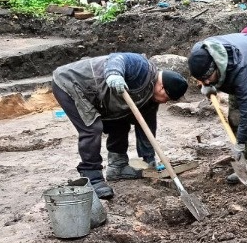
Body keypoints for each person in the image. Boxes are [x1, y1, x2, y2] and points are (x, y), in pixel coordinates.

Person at [51, 52, 188, 199]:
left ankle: (118, 166)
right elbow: (117, 58)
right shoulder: (142, 67)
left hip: (98, 95)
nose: (165, 102)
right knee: (92, 128)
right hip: (72, 84)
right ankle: (92, 177)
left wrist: (149, 160)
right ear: (161, 88)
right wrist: (114, 74)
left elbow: (147, 127)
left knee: (120, 120)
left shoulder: (151, 98)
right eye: (167, 98)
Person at [188, 33, 247, 182]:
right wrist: (207, 85)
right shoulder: (200, 54)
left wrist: (240, 143)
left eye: (208, 77)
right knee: (235, 119)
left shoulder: (239, 69)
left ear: (216, 66)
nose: (205, 81)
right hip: (240, 70)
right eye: (201, 78)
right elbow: (205, 77)